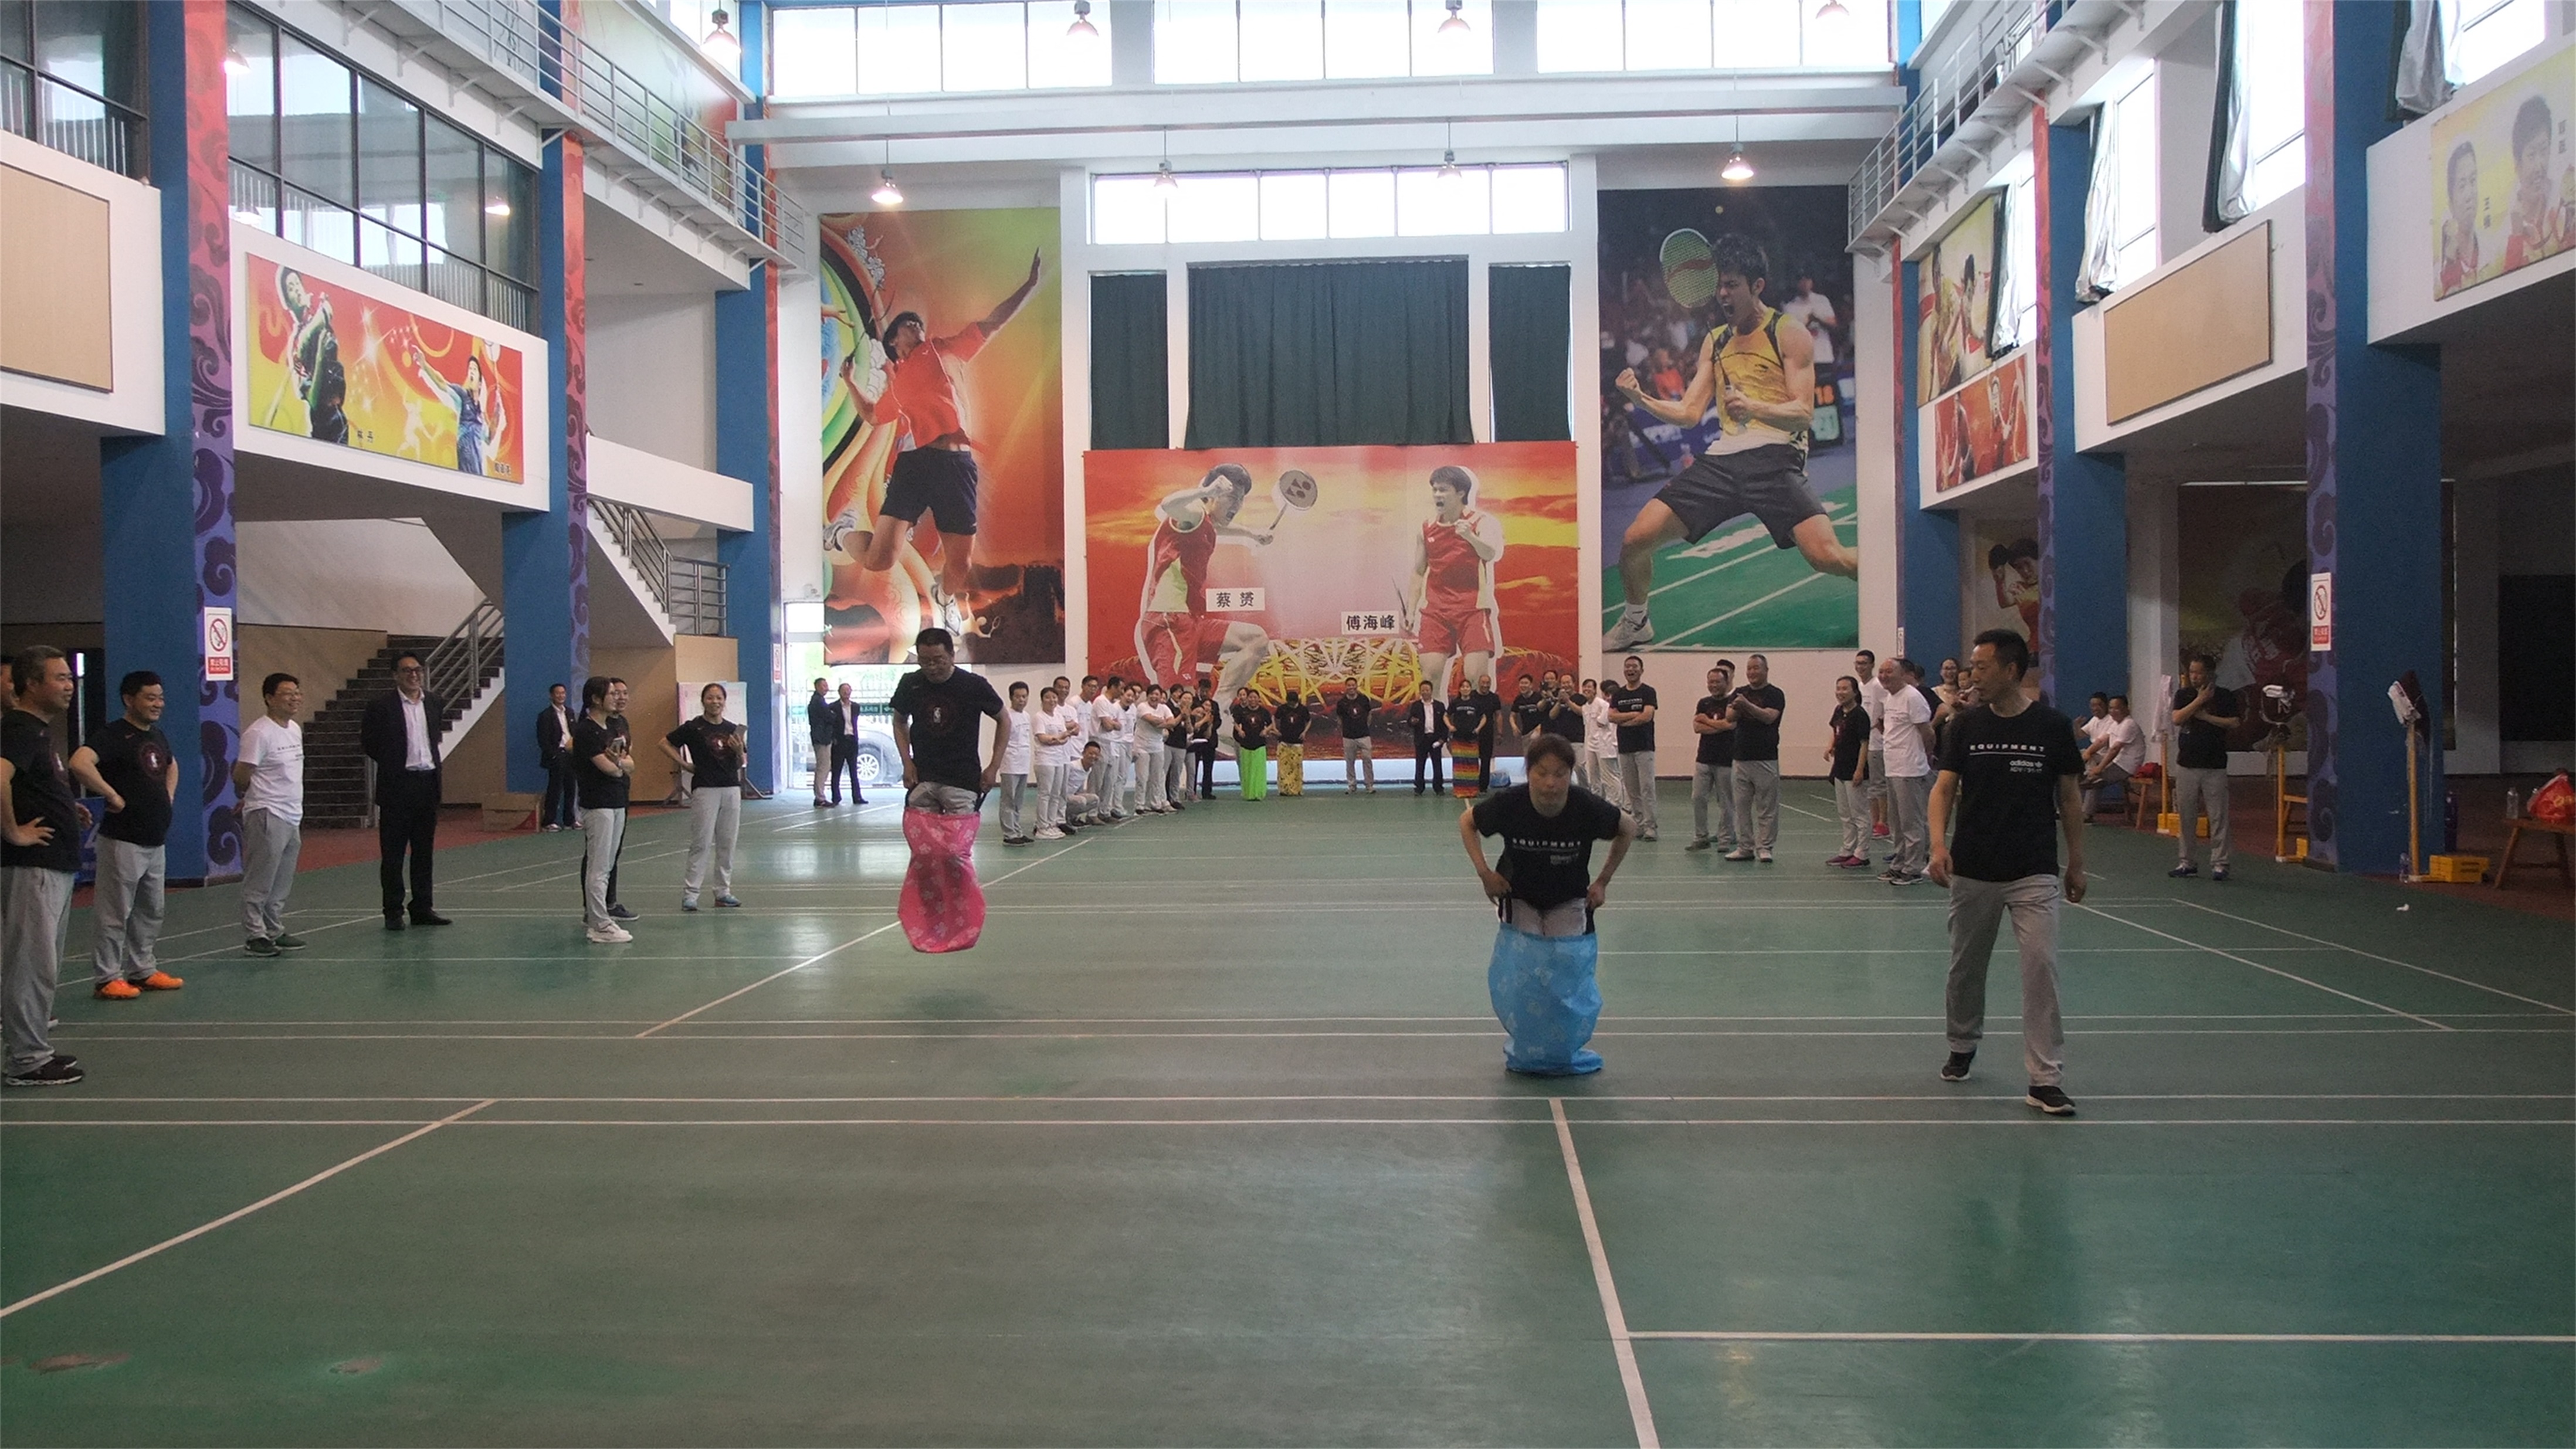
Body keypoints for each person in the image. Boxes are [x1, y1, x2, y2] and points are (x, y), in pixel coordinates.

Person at [1607, 235, 1855, 649]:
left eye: (1732, 285)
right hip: (1723, 460)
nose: (1722, 294)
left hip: (1776, 457)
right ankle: (1636, 621)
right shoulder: (1716, 340)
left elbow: (1803, 412)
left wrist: (1754, 407)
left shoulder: (1788, 332)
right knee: (1635, 540)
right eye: (1719, 285)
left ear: (1757, 286)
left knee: (1827, 557)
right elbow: (1689, 412)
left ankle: (1887, 579)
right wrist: (1640, 399)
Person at [829, 251, 1046, 640]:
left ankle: (944, 598)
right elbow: (873, 415)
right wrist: (849, 381)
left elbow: (993, 323)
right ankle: (842, 532)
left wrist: (1029, 285)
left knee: (960, 565)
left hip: (956, 466)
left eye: (918, 322)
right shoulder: (897, 385)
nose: (916, 324)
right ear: (894, 341)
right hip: (916, 465)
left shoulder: (943, 349)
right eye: (907, 324)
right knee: (879, 560)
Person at [1928, 629, 2087, 1117]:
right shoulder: (1966, 725)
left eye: (1982, 666)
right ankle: (1962, 1042)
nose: (1972, 675)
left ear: (2012, 670)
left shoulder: (2052, 727)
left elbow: (2069, 798)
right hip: (1973, 868)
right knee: (1966, 967)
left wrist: (2077, 861)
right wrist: (1938, 844)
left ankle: (2045, 1078)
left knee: (2041, 968)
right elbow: (1943, 788)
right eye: (1972, 666)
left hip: (2033, 870)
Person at [1461, 735, 1634, 1076]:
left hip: (1569, 899)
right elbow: (1467, 823)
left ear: (1570, 774)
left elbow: (1628, 828)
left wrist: (1603, 882)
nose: (1550, 783)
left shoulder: (1585, 807)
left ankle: (1561, 1048)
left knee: (1565, 978)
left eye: (1560, 774)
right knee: (1526, 978)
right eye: (1541, 773)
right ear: (1529, 772)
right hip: (1520, 897)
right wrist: (1484, 874)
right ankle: (1529, 1047)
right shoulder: (1511, 804)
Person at [1, 647, 88, 1087]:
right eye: (59, 678)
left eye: (70, 677)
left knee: (42, 963)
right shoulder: (19, 728)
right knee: (31, 964)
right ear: (31, 684)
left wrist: (67, 808)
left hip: (53, 866)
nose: (69, 685)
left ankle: (34, 1048)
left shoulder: (37, 731)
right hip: (33, 865)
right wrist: (14, 831)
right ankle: (26, 1060)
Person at [70, 671, 184, 999]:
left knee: (151, 909)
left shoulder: (157, 735)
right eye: (150, 698)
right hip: (123, 840)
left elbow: (171, 765)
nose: (158, 704)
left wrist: (168, 796)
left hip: (155, 840)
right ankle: (107, 977)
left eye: (160, 698)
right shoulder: (113, 735)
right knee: (115, 912)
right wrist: (111, 795)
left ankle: (143, 969)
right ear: (129, 699)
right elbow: (79, 763)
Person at [1135, 464, 1277, 698]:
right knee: (1179, 700)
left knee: (1256, 639)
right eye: (1232, 497)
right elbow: (1169, 505)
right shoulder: (1194, 512)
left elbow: (1220, 528)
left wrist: (1253, 534)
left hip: (1192, 621)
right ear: (1214, 494)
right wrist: (1205, 491)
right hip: (1168, 621)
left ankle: (1220, 706)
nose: (1237, 505)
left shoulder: (1206, 524)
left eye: (1241, 499)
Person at [358, 651, 450, 931]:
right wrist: (395, 763)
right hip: (397, 787)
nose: (414, 675)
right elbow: (370, 744)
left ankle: (422, 908)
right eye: (407, 670)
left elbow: (434, 738)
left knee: (424, 853)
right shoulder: (380, 707)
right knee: (393, 854)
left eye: (417, 670)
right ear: (395, 675)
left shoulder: (434, 702)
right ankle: (393, 911)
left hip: (427, 784)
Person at [1409, 466, 1505, 718]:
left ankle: (1474, 731)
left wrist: (1470, 537)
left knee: (1475, 678)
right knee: (1430, 677)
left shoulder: (1481, 522)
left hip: (1472, 608)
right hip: (1436, 611)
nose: (1437, 495)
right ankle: (1435, 732)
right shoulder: (1426, 528)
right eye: (1434, 490)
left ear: (1461, 493)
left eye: (1443, 490)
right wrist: (1410, 609)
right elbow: (1418, 571)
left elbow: (1491, 554)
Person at [235, 673, 306, 956]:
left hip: (292, 815)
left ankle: (274, 929)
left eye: (297, 692)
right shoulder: (259, 733)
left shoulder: (294, 729)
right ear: (269, 698)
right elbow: (242, 774)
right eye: (288, 693)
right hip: (268, 813)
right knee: (261, 878)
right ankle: (255, 935)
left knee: (281, 879)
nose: (295, 698)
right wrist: (252, 797)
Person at [662, 683, 745, 910]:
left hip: (731, 788)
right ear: (703, 701)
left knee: (727, 843)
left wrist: (739, 751)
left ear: (724, 702)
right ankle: (691, 894)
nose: (715, 702)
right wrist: (684, 764)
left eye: (719, 698)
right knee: (701, 843)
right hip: (705, 789)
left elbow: (740, 762)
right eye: (710, 698)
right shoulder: (693, 727)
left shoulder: (732, 729)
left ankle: (723, 892)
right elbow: (665, 743)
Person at [572, 677, 635, 944]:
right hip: (598, 803)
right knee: (598, 867)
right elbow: (609, 768)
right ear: (596, 699)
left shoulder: (613, 726)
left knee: (608, 864)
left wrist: (619, 763)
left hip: (617, 800)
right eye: (611, 693)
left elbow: (630, 764)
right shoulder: (586, 731)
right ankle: (598, 923)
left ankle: (601, 918)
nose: (616, 697)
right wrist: (619, 764)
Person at [2170, 654, 2240, 881]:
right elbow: (2177, 719)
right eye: (2192, 672)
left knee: (2218, 816)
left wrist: (2207, 717)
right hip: (2187, 764)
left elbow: (2233, 722)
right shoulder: (2184, 695)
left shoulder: (2225, 696)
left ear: (2209, 673)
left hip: (2214, 765)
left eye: (2199, 672)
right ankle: (2187, 862)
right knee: (2186, 816)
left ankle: (2220, 863)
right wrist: (2199, 701)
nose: (2194, 676)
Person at [1875, 656, 1935, 883]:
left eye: (1889, 672)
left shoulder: (1913, 697)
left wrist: (1925, 755)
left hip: (1910, 769)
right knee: (1898, 823)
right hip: (1893, 768)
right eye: (1882, 672)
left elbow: (1927, 732)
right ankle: (1899, 863)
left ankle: (1913, 868)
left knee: (1912, 822)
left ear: (1903, 675)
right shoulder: (1891, 698)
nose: (1884, 676)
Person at [1723, 653, 1785, 862]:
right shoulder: (1739, 692)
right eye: (1749, 668)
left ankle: (1765, 847)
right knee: (1741, 807)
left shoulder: (1775, 694)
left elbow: (1769, 717)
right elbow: (1729, 717)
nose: (1752, 672)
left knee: (1767, 807)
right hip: (1741, 758)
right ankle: (1745, 847)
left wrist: (1747, 706)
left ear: (1766, 670)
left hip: (1765, 758)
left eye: (1756, 668)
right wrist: (1738, 706)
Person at [276, 269, 348, 444]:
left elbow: (327, 312)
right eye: (291, 288)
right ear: (287, 302)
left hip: (339, 419)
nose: (297, 290)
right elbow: (313, 399)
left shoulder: (315, 316)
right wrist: (319, 357)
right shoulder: (295, 342)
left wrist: (307, 335)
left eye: (297, 284)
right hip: (321, 427)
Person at [1686, 661, 1738, 853]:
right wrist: (1718, 726)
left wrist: (1707, 722)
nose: (1714, 685)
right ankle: (1701, 837)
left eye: (1718, 682)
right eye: (1711, 682)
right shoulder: (1704, 703)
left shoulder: (1733, 703)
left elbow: (1730, 725)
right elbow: (1697, 727)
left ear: (1727, 682)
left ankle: (1725, 838)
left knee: (1726, 802)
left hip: (1726, 761)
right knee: (1698, 798)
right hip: (1704, 759)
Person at [1606, 655, 1660, 841]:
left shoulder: (1648, 692)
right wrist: (1632, 715)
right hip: (1625, 748)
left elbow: (1647, 716)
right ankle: (1639, 825)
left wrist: (1624, 721)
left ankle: (1651, 827)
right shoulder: (1619, 694)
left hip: (1644, 748)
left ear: (1641, 670)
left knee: (1647, 788)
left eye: (1634, 667)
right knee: (1632, 791)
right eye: (1628, 666)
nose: (1631, 670)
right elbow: (1611, 717)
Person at [1825, 675, 1874, 868]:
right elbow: (1835, 731)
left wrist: (1859, 770)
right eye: (1838, 688)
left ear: (1855, 692)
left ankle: (1862, 853)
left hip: (1854, 770)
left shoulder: (1860, 715)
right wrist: (1830, 747)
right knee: (1845, 814)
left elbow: (1864, 744)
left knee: (1859, 814)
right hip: (1840, 769)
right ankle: (1847, 850)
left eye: (1845, 689)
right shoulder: (1839, 711)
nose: (1841, 692)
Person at [2082, 694, 2148, 816]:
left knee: (2094, 781)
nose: (2113, 711)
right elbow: (2101, 741)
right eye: (2111, 708)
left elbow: (2114, 749)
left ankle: (2086, 814)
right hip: (2116, 762)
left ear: (2126, 708)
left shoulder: (2129, 724)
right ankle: (2086, 775)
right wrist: (2088, 753)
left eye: (2117, 708)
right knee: (2085, 760)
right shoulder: (2116, 724)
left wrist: (2099, 768)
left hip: (2126, 767)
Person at [1032, 684, 1080, 840]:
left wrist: (1061, 737)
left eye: (1054, 697)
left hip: (1059, 759)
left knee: (1056, 794)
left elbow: (1064, 736)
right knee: (1045, 794)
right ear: (1042, 700)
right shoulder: (1039, 717)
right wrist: (1057, 739)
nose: (1052, 700)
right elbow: (1043, 738)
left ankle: (1052, 824)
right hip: (1045, 760)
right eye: (1048, 697)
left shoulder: (1059, 717)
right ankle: (1042, 827)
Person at [1855, 648, 1890, 839]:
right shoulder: (1859, 686)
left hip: (1877, 743)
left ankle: (1883, 822)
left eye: (1864, 663)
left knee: (1879, 784)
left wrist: (1879, 725)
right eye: (1858, 663)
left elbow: (1887, 708)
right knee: (1869, 785)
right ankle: (1874, 820)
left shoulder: (1878, 686)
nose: (1860, 667)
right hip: (1864, 742)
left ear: (1872, 665)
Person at [536, 683, 578, 830]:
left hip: (571, 754)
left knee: (571, 788)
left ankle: (569, 820)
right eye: (558, 693)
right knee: (555, 789)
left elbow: (574, 732)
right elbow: (543, 740)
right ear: (551, 696)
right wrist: (554, 756)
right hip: (557, 755)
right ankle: (549, 821)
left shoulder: (570, 713)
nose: (561, 696)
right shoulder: (545, 715)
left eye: (563, 693)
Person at [1091, 676, 1133, 820]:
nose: (1122, 692)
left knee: (1110, 781)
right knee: (1097, 780)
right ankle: (1092, 813)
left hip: (1112, 744)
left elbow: (1117, 725)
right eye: (1121, 688)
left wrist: (1113, 724)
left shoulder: (1113, 704)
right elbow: (1108, 726)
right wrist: (1113, 724)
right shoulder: (1101, 701)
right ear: (1113, 687)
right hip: (1100, 742)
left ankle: (1104, 811)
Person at [1580, 678, 1623, 808]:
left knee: (1610, 776)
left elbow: (1601, 722)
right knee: (1594, 777)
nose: (1587, 689)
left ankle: (1616, 804)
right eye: (1585, 687)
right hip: (1592, 745)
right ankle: (1596, 803)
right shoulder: (1585, 707)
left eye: (1590, 687)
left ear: (1595, 690)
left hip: (1605, 745)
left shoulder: (1604, 705)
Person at [823, 683, 866, 806]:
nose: (846, 693)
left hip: (852, 740)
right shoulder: (833, 707)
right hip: (839, 742)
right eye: (844, 690)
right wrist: (834, 739)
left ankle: (857, 797)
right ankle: (836, 797)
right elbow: (830, 725)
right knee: (837, 771)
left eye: (848, 690)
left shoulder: (856, 707)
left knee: (854, 771)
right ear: (839, 692)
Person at [1134, 684, 1174, 814]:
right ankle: (1140, 805)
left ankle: (1155, 804)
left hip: (1157, 746)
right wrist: (1163, 722)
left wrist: (1162, 722)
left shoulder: (1164, 708)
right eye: (1152, 694)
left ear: (1161, 696)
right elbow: (1151, 720)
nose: (1154, 697)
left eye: (1157, 694)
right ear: (1148, 695)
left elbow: (1172, 722)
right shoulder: (1142, 706)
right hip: (1141, 746)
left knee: (1157, 777)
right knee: (1142, 777)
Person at [1231, 687, 1275, 802]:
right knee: (1247, 769)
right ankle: (1248, 793)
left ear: (1259, 699)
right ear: (1248, 699)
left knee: (1258, 770)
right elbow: (1236, 723)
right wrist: (1240, 731)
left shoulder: (1264, 712)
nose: (1252, 699)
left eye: (1255, 697)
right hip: (1246, 744)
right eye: (1250, 697)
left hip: (1259, 744)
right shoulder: (1243, 712)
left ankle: (1259, 792)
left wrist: (1266, 731)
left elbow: (1271, 724)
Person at [1334, 681, 1378, 793]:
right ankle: (1352, 785)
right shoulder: (1342, 703)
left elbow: (1369, 714)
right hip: (1348, 736)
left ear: (1357, 686)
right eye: (1349, 685)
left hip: (1364, 735)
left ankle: (1369, 785)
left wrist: (1366, 726)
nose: (1351, 687)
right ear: (1346, 687)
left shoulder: (1364, 699)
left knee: (1367, 760)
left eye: (1353, 685)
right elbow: (1339, 718)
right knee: (1350, 762)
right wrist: (1344, 729)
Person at [1444, 683, 1487, 799]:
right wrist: (1450, 727)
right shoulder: (1455, 703)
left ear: (1470, 689)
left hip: (1472, 739)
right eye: (1463, 687)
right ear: (1460, 689)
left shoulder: (1476, 703)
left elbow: (1484, 717)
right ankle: (1460, 790)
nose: (1465, 689)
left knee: (1472, 765)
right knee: (1459, 765)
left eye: (1467, 687)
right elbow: (1446, 716)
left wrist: (1478, 729)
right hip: (1458, 739)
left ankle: (1472, 791)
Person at [1407, 681, 1449, 795]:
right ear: (1420, 692)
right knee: (1420, 765)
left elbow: (1445, 724)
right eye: (1423, 690)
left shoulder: (1439, 706)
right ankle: (1419, 788)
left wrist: (1443, 739)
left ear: (1431, 691)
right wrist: (1413, 721)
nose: (1425, 692)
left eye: (1427, 690)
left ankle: (1439, 788)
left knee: (1437, 764)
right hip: (1422, 739)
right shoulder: (1416, 706)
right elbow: (1409, 721)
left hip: (1436, 739)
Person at [805, 678, 840, 807]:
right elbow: (830, 717)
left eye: (827, 685)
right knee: (823, 767)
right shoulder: (818, 702)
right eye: (824, 686)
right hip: (822, 739)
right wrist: (833, 715)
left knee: (823, 766)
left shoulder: (819, 701)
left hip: (822, 738)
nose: (827, 688)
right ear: (817, 687)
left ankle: (820, 795)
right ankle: (820, 797)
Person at [1468, 673, 1505, 794]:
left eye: (1488, 683)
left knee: (1486, 760)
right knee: (1471, 760)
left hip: (1488, 732)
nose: (1485, 685)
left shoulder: (1494, 698)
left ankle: (1483, 787)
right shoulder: (1471, 696)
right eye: (1483, 683)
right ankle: (1470, 784)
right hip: (1472, 733)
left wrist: (1500, 733)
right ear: (1479, 683)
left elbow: (1498, 715)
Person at [1161, 688, 1195, 810]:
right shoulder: (1172, 710)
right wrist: (1182, 715)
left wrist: (1188, 718)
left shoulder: (1191, 715)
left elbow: (1190, 730)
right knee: (1164, 772)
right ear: (1180, 700)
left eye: (1190, 699)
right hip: (1168, 744)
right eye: (1185, 698)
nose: (1187, 700)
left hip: (1181, 746)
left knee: (1177, 773)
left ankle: (1174, 798)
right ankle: (1162, 798)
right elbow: (1172, 724)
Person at [1274, 688, 1311, 797]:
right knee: (1283, 768)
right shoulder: (1282, 709)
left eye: (1293, 703)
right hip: (1284, 742)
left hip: (1297, 743)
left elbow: (1309, 720)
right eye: (1290, 703)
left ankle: (1297, 789)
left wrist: (1305, 732)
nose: (1291, 705)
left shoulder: (1303, 709)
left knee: (1296, 767)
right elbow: (1274, 717)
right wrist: (1275, 729)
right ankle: (1284, 789)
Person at [1063, 741, 1107, 825]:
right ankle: (1061, 817)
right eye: (1091, 754)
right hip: (1062, 796)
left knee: (1095, 800)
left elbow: (1079, 789)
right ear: (1083, 753)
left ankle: (1070, 817)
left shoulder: (1089, 769)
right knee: (1081, 801)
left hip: (1071, 796)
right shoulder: (1072, 766)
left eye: (1096, 755)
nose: (1093, 756)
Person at [1189, 691, 1222, 802]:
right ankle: (1191, 791)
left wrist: (1210, 724)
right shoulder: (1197, 714)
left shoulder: (1215, 715)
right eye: (1205, 705)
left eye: (1209, 705)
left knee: (1208, 769)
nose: (1207, 707)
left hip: (1210, 743)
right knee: (1193, 768)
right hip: (1196, 743)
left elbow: (1217, 725)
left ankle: (1207, 792)